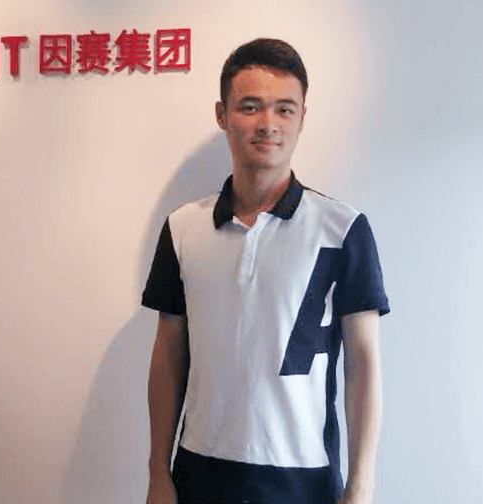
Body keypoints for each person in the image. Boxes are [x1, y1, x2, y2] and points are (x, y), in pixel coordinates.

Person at [142, 38, 389, 504]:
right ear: (222, 114)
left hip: (304, 481)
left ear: (302, 118)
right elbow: (168, 355)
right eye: (250, 107)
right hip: (199, 473)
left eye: (284, 109)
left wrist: (361, 486)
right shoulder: (182, 228)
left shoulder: (343, 230)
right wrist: (158, 470)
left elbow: (363, 364)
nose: (267, 124)